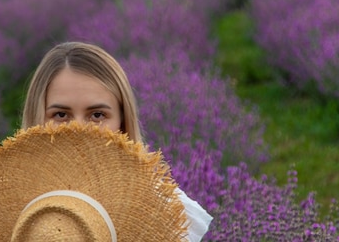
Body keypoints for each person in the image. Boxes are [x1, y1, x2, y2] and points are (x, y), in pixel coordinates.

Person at [21, 41, 213, 242]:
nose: (78, 130)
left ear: (122, 121)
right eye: (61, 114)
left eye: (97, 115)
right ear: (37, 119)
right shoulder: (6, 202)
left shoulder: (164, 209)